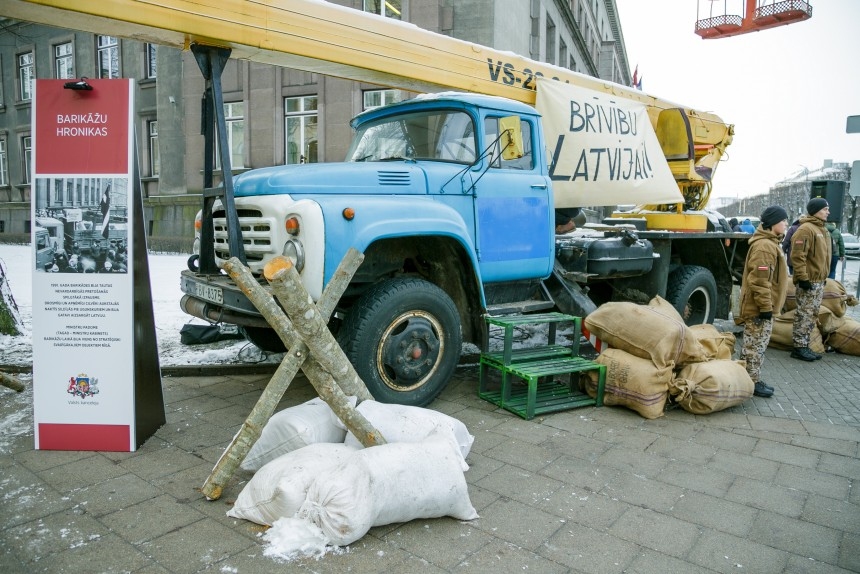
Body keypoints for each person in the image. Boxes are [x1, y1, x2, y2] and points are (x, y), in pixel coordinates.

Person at [739, 205, 789, 398]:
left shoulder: (769, 243)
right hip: (759, 309)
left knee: (757, 344)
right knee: (754, 346)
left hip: (761, 306)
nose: (786, 223)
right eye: (783, 220)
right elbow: (760, 282)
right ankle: (750, 382)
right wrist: (766, 308)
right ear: (773, 222)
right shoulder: (765, 246)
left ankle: (753, 378)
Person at [789, 198, 832, 361]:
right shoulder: (806, 229)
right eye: (825, 209)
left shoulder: (822, 229)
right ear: (815, 210)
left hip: (819, 281)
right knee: (804, 314)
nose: (828, 212)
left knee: (812, 314)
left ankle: (804, 345)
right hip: (809, 281)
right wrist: (803, 278)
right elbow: (797, 256)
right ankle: (799, 347)